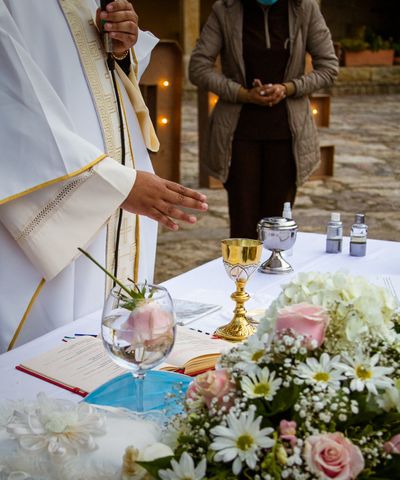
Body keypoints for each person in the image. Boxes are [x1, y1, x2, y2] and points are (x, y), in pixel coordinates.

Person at [0, 0, 208, 351]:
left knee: (115, 333)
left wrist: (123, 49)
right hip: (57, 183)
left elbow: (91, 68)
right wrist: (113, 184)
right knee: (50, 349)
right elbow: (11, 104)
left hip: (118, 177)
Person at [189, 0, 338, 238]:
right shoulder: (225, 10)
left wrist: (288, 88)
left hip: (288, 133)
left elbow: (328, 67)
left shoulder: (304, 8)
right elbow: (198, 67)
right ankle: (242, 274)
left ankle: (275, 271)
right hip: (239, 134)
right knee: (243, 225)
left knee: (277, 227)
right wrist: (242, 93)